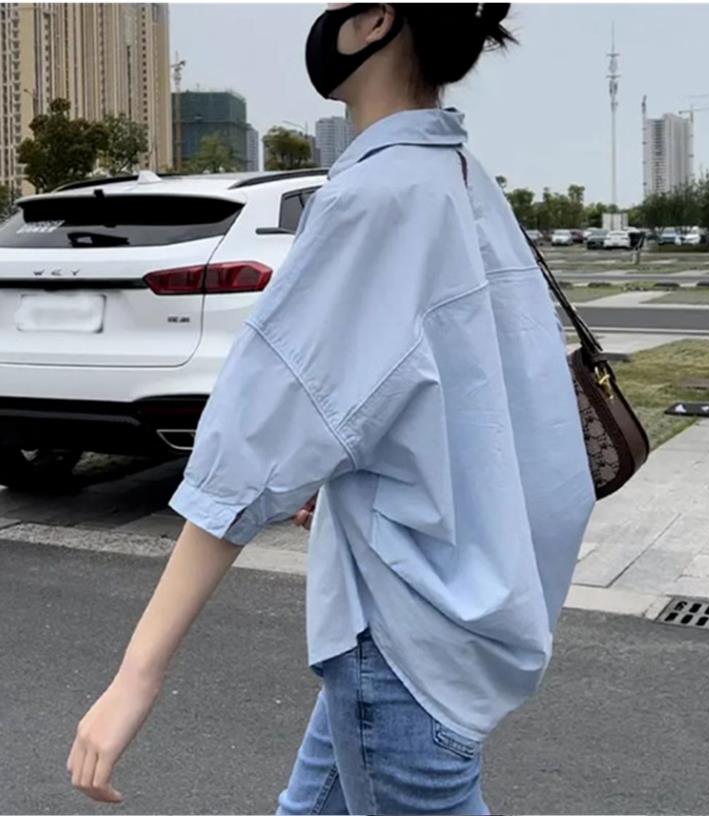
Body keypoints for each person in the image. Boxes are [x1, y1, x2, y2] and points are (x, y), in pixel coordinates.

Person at [66, 4, 596, 814]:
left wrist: (135, 676)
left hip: (404, 641)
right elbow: (453, 398)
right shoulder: (460, 177)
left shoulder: (375, 197)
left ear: (375, 20)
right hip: (442, 615)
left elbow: (253, 448)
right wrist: (359, 475)